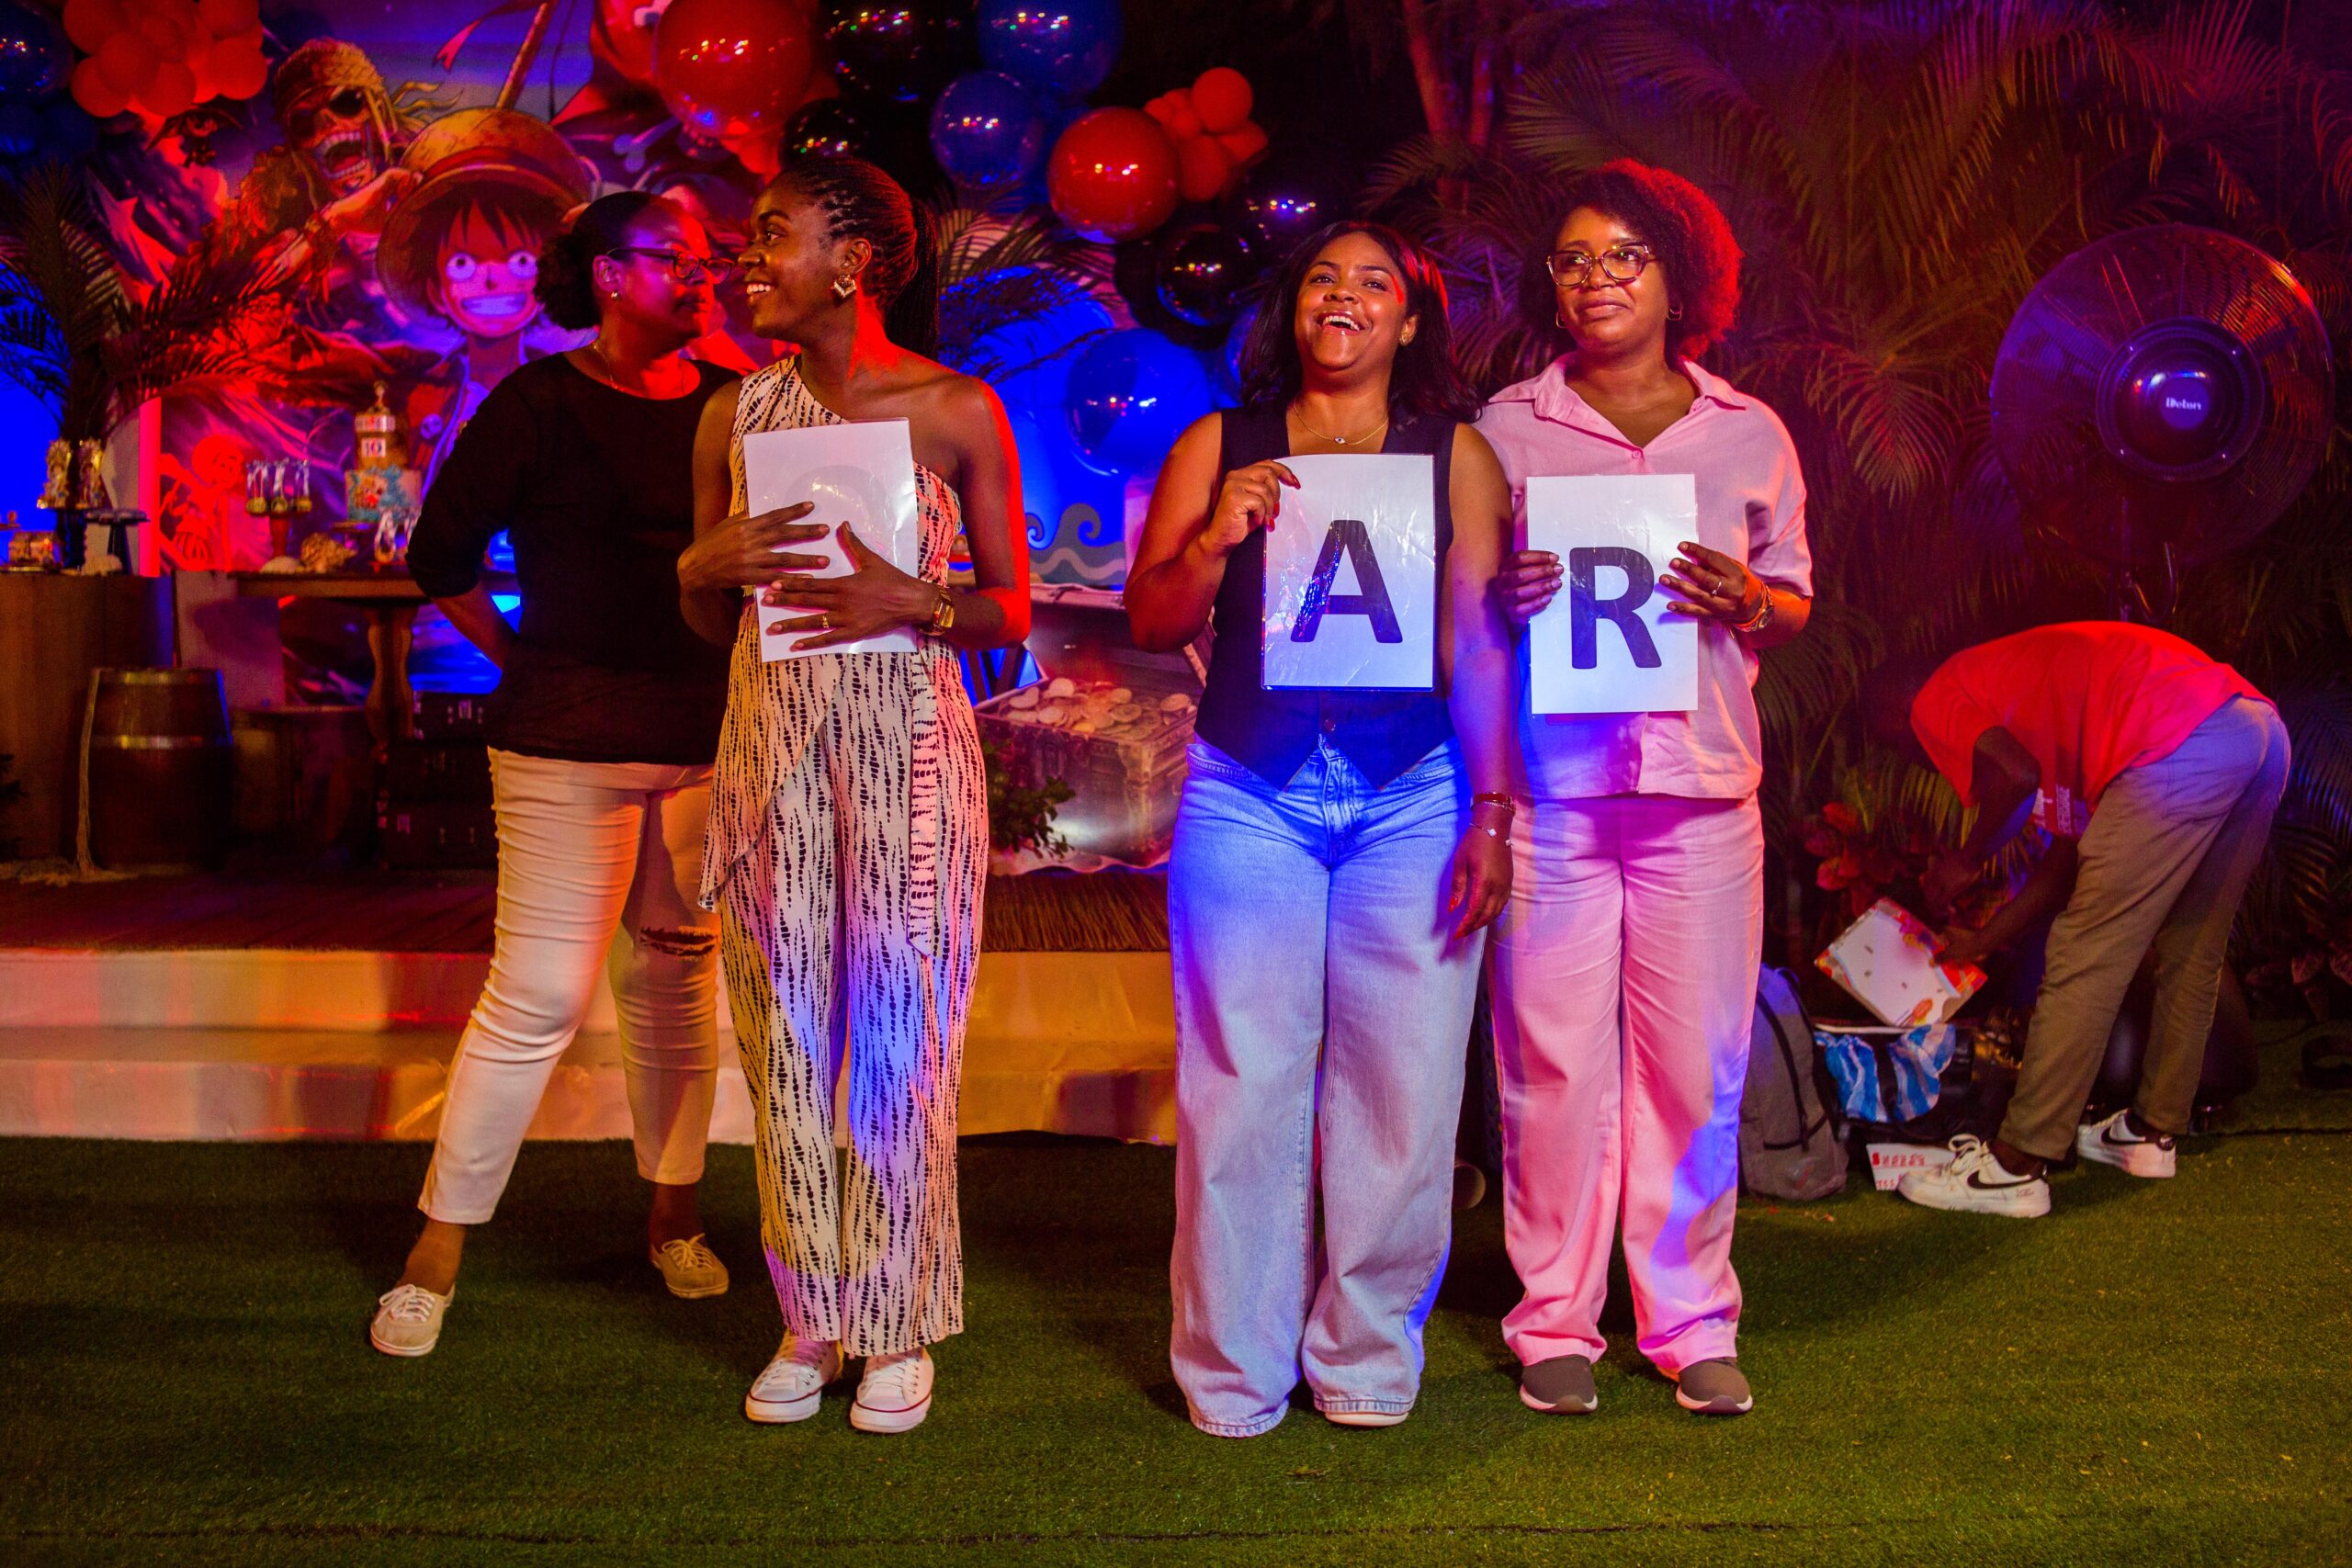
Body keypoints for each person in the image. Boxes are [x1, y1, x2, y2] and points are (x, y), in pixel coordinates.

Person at [1126, 220, 1517, 1438]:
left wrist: (1493, 808)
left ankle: (1363, 1355)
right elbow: (1151, 619)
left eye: (1373, 282)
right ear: (1293, 308)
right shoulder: (1220, 442)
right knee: (1241, 1080)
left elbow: (1476, 639)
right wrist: (1213, 536)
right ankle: (1234, 1369)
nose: (1342, 295)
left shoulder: (1454, 454)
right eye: (1322, 278)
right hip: (1251, 786)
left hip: (1413, 791)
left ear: (1410, 320)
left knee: (1403, 1081)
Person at [680, 153, 1029, 1434]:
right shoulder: (735, 415)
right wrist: (696, 565)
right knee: (781, 1038)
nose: (747, 256)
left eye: (773, 233)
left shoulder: (954, 409)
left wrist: (916, 599)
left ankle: (897, 1319)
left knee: (899, 1040)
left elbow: (1011, 612)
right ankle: (809, 1314)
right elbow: (709, 616)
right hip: (771, 751)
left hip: (911, 754)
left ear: (854, 262)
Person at [370, 192, 742, 1358]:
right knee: (535, 996)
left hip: (706, 742)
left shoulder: (739, 402)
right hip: (564, 744)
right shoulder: (535, 402)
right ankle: (435, 1249)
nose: (699, 275)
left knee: (677, 982)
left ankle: (675, 1218)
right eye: (673, 258)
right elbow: (438, 555)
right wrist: (524, 657)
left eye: (709, 258)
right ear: (609, 274)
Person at [1480, 160, 1813, 1419]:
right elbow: (1459, 604)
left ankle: (1688, 1319)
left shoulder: (1748, 429)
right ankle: (1552, 1320)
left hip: (1702, 793)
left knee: (1694, 1072)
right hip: (1554, 795)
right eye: (1573, 258)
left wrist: (1753, 598)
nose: (1597, 278)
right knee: (1551, 1066)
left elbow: (1793, 596)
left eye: (1625, 254)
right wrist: (1500, 594)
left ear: (1680, 274)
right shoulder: (1505, 427)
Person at [1860, 623, 2289, 1216]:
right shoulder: (2052, 721)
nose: (1921, 757)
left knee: (2083, 955)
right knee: (2193, 949)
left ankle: (2014, 1166)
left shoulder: (1935, 694)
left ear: (1897, 712)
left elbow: (2015, 777)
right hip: (2257, 731)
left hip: (2178, 739)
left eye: (1897, 743)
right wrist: (1982, 939)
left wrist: (1965, 860)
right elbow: (2066, 862)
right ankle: (2152, 1133)